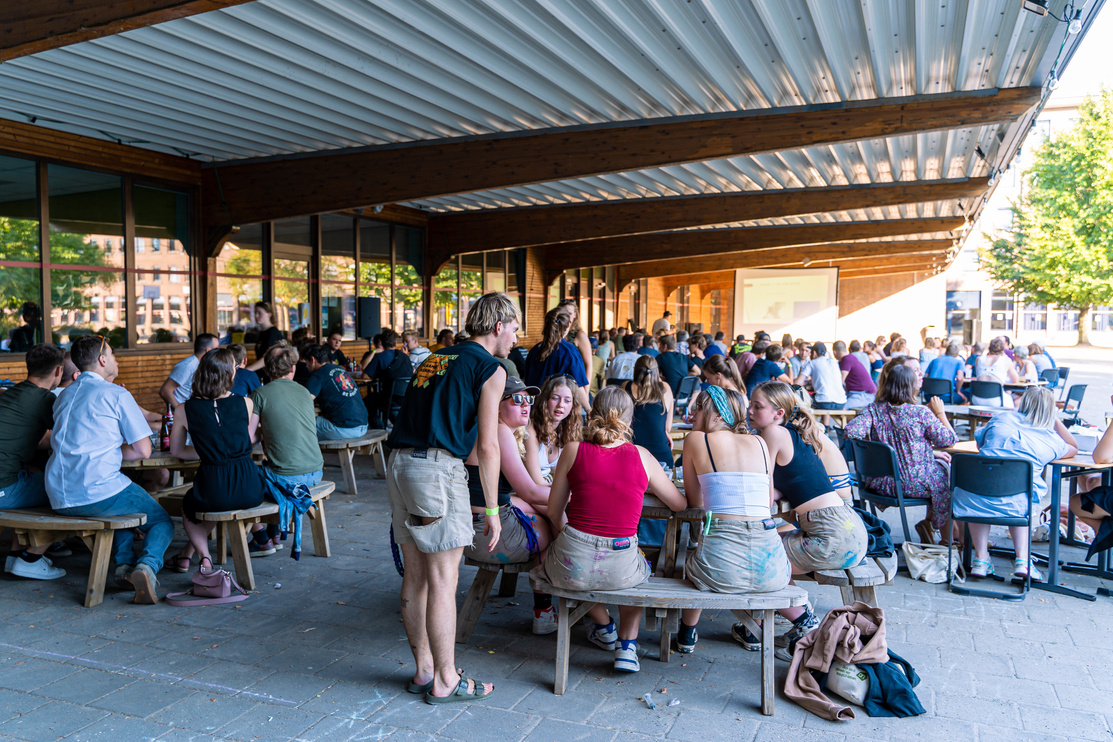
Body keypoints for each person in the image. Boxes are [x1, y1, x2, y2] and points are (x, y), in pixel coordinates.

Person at [386, 292, 517, 703]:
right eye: (514, 328)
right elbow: (489, 445)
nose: (515, 337)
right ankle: (446, 678)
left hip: (399, 463)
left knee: (416, 575)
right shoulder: (491, 368)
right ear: (498, 327)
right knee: (444, 579)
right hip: (437, 469)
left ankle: (425, 671)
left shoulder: (435, 357)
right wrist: (493, 509)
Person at [534, 387, 685, 673]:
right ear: (629, 420)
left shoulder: (573, 450)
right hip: (621, 562)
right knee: (640, 571)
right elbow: (678, 505)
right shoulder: (642, 455)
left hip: (573, 562)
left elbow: (554, 513)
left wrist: (576, 537)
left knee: (574, 567)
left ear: (592, 413)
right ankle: (627, 648)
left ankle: (604, 627)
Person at [735, 381, 866, 660]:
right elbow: (789, 483)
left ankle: (808, 625)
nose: (750, 410)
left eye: (758, 406)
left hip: (831, 536)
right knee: (767, 546)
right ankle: (753, 627)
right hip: (849, 528)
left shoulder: (772, 432)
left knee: (758, 559)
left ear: (778, 413)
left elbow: (763, 488)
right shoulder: (793, 434)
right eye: (751, 404)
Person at [46, 335, 171, 603]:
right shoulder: (115, 393)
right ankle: (147, 567)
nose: (116, 359)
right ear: (103, 360)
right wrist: (111, 451)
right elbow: (143, 450)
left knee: (121, 508)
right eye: (113, 355)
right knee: (162, 520)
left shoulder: (65, 394)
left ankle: (124, 567)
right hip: (94, 490)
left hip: (57, 492)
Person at [674, 386, 790, 654]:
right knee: (724, 550)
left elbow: (695, 502)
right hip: (773, 570)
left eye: (699, 408)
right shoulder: (761, 442)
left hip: (720, 569)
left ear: (714, 414)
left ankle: (687, 633)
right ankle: (752, 631)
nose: (693, 415)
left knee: (689, 556)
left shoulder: (696, 440)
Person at [463, 376, 555, 633]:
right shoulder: (500, 432)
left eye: (529, 399)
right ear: (496, 404)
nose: (526, 405)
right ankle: (545, 610)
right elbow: (529, 491)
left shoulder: (492, 429)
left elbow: (520, 495)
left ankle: (545, 611)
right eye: (517, 399)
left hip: (475, 530)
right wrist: (576, 497)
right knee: (560, 533)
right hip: (488, 536)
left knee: (545, 511)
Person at [955, 387, 1077, 580]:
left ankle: (980, 559)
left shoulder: (1001, 419)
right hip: (1017, 504)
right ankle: (1023, 559)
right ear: (1051, 411)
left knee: (983, 492)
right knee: (1020, 495)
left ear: (1023, 402)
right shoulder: (1051, 440)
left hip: (971, 499)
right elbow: (1074, 447)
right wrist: (1053, 419)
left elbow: (980, 444)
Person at [167, 348, 265, 573]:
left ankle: (204, 556)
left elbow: (178, 451)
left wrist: (208, 453)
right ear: (228, 374)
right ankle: (186, 555)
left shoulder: (184, 409)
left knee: (190, 505)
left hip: (213, 485)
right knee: (210, 503)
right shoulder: (246, 403)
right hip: (249, 486)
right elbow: (243, 439)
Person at [845, 365, 958, 544]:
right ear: (911, 387)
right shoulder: (921, 413)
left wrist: (875, 445)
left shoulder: (873, 410)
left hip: (880, 482)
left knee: (940, 470)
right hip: (914, 484)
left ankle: (933, 528)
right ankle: (947, 540)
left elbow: (851, 432)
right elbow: (949, 439)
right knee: (946, 476)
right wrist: (940, 413)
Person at [250, 345, 325, 554]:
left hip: (287, 478)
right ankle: (274, 532)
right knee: (269, 468)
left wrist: (263, 430)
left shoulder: (260, 394)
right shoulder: (304, 391)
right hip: (316, 472)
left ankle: (261, 536)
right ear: (292, 368)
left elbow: (248, 438)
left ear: (267, 370)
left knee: (246, 472)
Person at [0, 344, 66, 580]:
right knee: (70, 493)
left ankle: (15, 554)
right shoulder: (46, 399)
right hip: (4, 489)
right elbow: (66, 438)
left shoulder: (11, 393)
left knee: (37, 476)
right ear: (59, 371)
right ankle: (31, 559)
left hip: (8, 480)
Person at [525, 308, 590, 410]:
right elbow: (578, 385)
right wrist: (588, 409)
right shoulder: (569, 351)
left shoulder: (535, 349)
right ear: (568, 325)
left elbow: (527, 381)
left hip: (534, 408)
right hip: (558, 410)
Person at [524, 375, 584, 485]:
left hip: (548, 492)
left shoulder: (565, 432)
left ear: (573, 406)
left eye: (567, 400)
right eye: (555, 398)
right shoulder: (531, 430)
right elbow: (537, 483)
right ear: (545, 400)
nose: (560, 405)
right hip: (531, 492)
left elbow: (565, 477)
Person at [305, 344, 369, 440]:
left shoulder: (318, 375)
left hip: (345, 429)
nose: (306, 366)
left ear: (312, 360)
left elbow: (305, 401)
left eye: (306, 362)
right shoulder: (340, 370)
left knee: (304, 426)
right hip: (363, 426)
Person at [621, 356, 675, 468]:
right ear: (656, 372)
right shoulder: (665, 388)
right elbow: (667, 428)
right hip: (661, 455)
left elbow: (621, 421)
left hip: (633, 452)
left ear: (636, 370)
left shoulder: (626, 386)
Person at [159, 333, 220, 407]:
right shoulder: (188, 366)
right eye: (216, 349)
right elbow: (165, 391)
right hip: (185, 414)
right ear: (208, 351)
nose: (218, 353)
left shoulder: (202, 364)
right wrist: (180, 411)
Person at [795, 342, 847, 420]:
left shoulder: (812, 363)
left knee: (803, 400)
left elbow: (797, 383)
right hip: (841, 403)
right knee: (822, 396)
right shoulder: (834, 362)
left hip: (824, 403)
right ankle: (825, 428)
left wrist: (807, 382)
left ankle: (805, 427)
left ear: (814, 353)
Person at [972, 337, 1020, 407]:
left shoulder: (978, 359)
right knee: (1011, 401)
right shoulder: (1006, 360)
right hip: (996, 399)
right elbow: (1016, 380)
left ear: (989, 348)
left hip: (977, 398)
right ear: (1003, 349)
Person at [833, 340, 876, 410]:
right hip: (860, 394)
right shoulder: (850, 358)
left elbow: (840, 382)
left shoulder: (846, 360)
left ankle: (855, 421)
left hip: (863, 395)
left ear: (834, 352)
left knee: (840, 408)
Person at [556, 299, 594, 378]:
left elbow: (588, 365)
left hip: (574, 381)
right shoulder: (555, 333)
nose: (566, 316)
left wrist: (586, 389)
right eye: (563, 313)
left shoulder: (579, 335)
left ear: (575, 315)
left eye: (569, 313)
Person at [246, 301, 284, 373]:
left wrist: (247, 370)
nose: (256, 316)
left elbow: (268, 358)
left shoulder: (273, 333)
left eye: (260, 313)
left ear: (269, 314)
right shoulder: (263, 333)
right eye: (255, 313)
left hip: (272, 375)